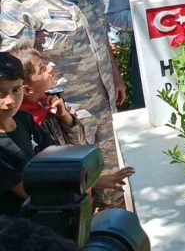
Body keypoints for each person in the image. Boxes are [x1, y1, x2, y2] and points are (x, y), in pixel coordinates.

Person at [0, 0, 127, 210]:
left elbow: (98, 33)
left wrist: (116, 75)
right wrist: (51, 108)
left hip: (103, 100)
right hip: (63, 119)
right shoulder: (20, 1)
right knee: (75, 195)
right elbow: (14, 71)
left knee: (114, 186)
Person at [0, 53, 134, 217]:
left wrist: (98, 180)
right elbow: (31, 192)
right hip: (20, 228)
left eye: (16, 90)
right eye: (1, 93)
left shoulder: (24, 119)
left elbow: (58, 162)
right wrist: (88, 184)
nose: (10, 101)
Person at [11, 46, 85, 146]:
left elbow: (79, 141)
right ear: (28, 89)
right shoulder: (20, 122)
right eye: (42, 69)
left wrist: (65, 115)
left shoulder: (53, 102)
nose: (49, 68)